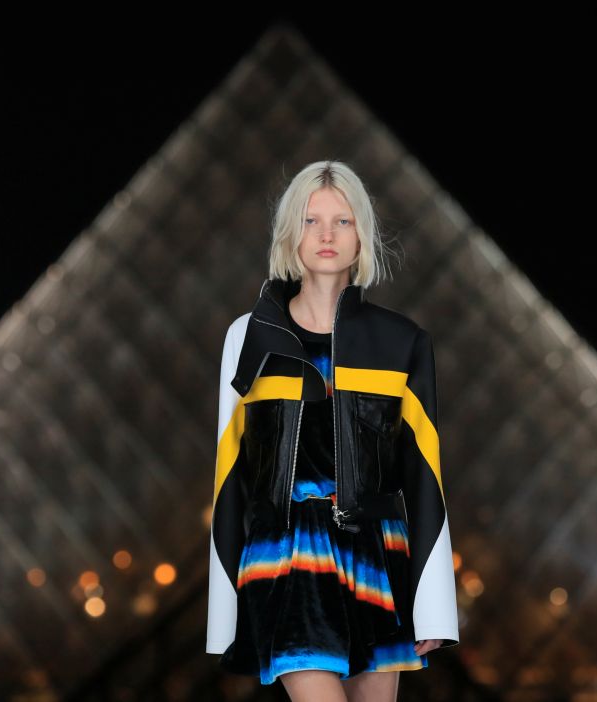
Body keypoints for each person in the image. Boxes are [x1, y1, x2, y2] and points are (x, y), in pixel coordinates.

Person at [206, 160, 459, 702]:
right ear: (289, 234)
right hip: (287, 556)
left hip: (375, 554)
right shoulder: (248, 338)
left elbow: (424, 474)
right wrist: (223, 608)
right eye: (310, 220)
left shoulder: (403, 342)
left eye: (341, 221)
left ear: (362, 233)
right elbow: (230, 474)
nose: (325, 235)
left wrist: (433, 603)